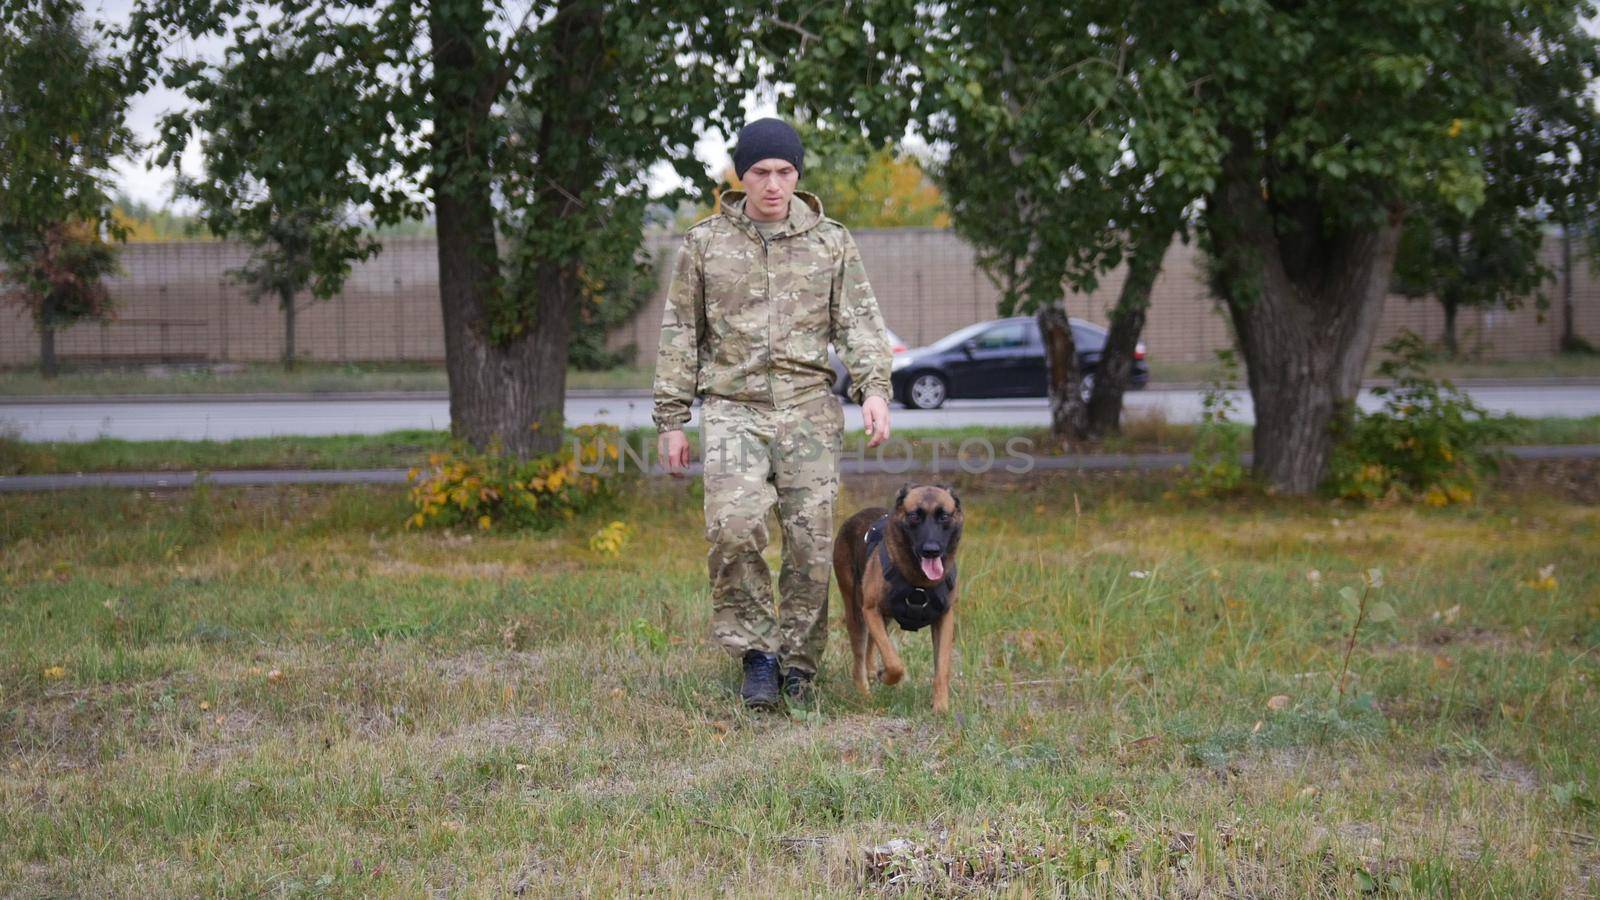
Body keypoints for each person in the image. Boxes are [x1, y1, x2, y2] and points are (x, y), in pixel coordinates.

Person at [652, 117, 893, 711]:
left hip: (810, 410)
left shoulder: (830, 241)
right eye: (760, 172)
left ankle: (800, 666)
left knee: (811, 547)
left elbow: (859, 324)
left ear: (797, 176)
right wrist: (670, 419)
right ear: (741, 175)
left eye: (785, 172)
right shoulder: (706, 244)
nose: (773, 184)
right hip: (735, 410)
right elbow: (682, 332)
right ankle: (758, 657)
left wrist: (875, 390)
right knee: (733, 531)